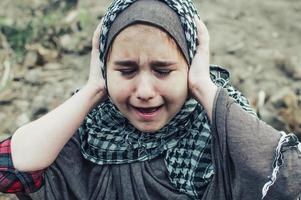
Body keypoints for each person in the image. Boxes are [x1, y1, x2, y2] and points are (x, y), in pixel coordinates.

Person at [1, 0, 301, 199]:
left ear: (191, 66)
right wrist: (93, 89)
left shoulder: (218, 130)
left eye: (163, 70)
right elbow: (8, 170)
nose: (144, 90)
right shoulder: (91, 131)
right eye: (126, 70)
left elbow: (287, 178)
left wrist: (202, 85)